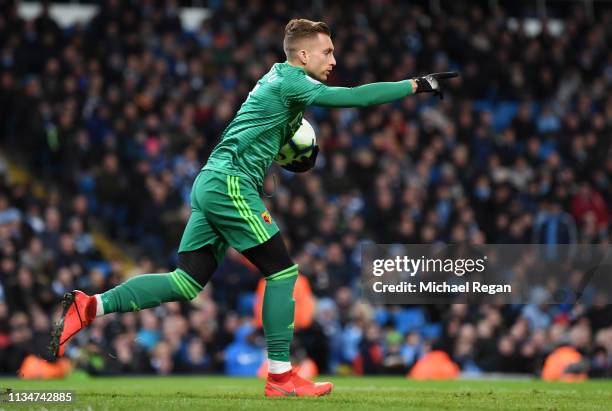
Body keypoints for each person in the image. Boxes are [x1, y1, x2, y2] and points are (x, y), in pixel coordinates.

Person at [50, 18, 457, 397]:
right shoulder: (293, 82)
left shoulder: (276, 79)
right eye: (327, 52)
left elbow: (264, 133)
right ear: (303, 56)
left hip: (213, 180)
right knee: (283, 271)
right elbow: (355, 98)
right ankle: (280, 376)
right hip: (229, 184)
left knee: (186, 283)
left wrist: (279, 154)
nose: (334, 60)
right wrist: (416, 85)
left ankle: (91, 306)